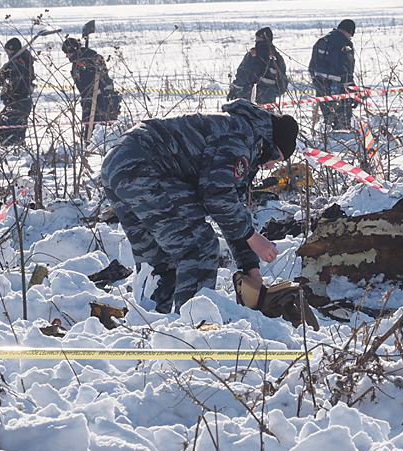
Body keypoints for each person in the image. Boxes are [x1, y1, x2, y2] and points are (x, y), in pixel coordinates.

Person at [101, 99, 299, 313]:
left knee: (160, 260)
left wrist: (250, 266)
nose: (271, 166)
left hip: (118, 164)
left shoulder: (245, 135)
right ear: (272, 143)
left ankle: (152, 325)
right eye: (276, 159)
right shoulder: (240, 137)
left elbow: (231, 207)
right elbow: (217, 195)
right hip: (144, 166)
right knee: (198, 248)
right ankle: (194, 328)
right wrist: (252, 237)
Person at [62, 37, 121, 140]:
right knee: (90, 128)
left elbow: (100, 79)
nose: (67, 56)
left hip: (101, 100)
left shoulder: (90, 60)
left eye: (69, 53)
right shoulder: (78, 63)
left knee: (100, 129)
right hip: (89, 100)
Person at [309, 19, 356, 131]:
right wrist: (351, 87)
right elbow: (347, 68)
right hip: (338, 86)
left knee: (327, 115)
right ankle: (342, 138)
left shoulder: (321, 41)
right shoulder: (345, 45)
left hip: (319, 83)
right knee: (341, 116)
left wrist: (315, 80)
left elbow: (312, 65)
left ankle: (328, 139)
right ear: (348, 32)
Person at [227, 27, 289, 105]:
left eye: (257, 38)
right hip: (269, 97)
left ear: (262, 38)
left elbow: (242, 74)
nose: (255, 40)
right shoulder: (277, 57)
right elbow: (283, 79)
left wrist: (234, 90)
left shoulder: (253, 54)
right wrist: (275, 92)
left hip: (249, 94)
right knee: (266, 116)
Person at [0, 37, 34, 146]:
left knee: (2, 128)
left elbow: (15, 82)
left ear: (12, 49)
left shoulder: (18, 63)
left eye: (7, 51)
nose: (6, 53)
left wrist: (7, 91)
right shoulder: (19, 61)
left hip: (18, 101)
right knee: (16, 128)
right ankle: (17, 147)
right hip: (21, 102)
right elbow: (3, 75)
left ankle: (12, 148)